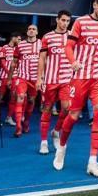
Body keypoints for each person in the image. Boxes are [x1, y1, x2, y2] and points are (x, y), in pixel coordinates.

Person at [54, 0, 98, 177]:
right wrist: (73, 62)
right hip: (81, 75)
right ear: (94, 5)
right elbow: (68, 47)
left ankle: (93, 161)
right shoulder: (80, 22)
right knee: (73, 115)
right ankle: (62, 147)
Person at [37, 10, 73, 155]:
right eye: (63, 20)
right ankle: (44, 142)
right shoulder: (47, 37)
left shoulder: (72, 36)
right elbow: (42, 58)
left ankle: (56, 131)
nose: (65, 23)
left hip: (66, 79)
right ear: (57, 20)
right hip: (51, 79)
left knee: (66, 109)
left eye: (67, 21)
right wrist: (39, 77)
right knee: (47, 109)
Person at [10, 24, 42, 137]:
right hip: (22, 77)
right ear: (27, 32)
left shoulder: (41, 44)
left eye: (34, 29)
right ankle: (18, 126)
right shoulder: (21, 45)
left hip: (35, 79)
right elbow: (14, 62)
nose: (31, 31)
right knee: (20, 97)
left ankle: (26, 122)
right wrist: (10, 78)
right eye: (29, 29)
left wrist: (43, 77)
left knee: (31, 101)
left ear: (37, 32)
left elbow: (45, 62)